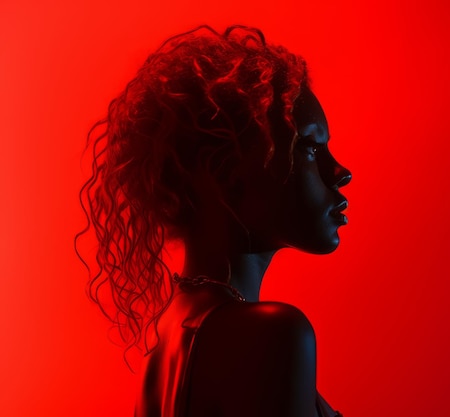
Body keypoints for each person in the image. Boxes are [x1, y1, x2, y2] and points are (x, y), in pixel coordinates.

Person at [76, 25, 351, 417]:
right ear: (223, 171)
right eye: (308, 147)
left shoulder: (168, 338)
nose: (340, 171)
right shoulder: (270, 335)